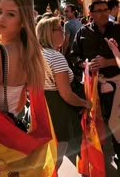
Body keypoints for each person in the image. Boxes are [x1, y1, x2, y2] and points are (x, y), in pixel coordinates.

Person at [70, 0, 120, 170]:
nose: (104, 13)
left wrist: (108, 62)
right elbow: (74, 56)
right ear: (90, 14)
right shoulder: (82, 33)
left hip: (116, 86)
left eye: (106, 9)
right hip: (92, 88)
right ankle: (98, 162)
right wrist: (85, 65)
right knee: (95, 126)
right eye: (99, 10)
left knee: (117, 125)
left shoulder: (118, 29)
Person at [36, 16, 91, 170]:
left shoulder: (36, 54)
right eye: (59, 29)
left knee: (50, 156)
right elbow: (66, 94)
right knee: (57, 158)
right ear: (49, 33)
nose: (63, 31)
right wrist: (86, 103)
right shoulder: (55, 57)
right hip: (59, 110)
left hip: (43, 107)